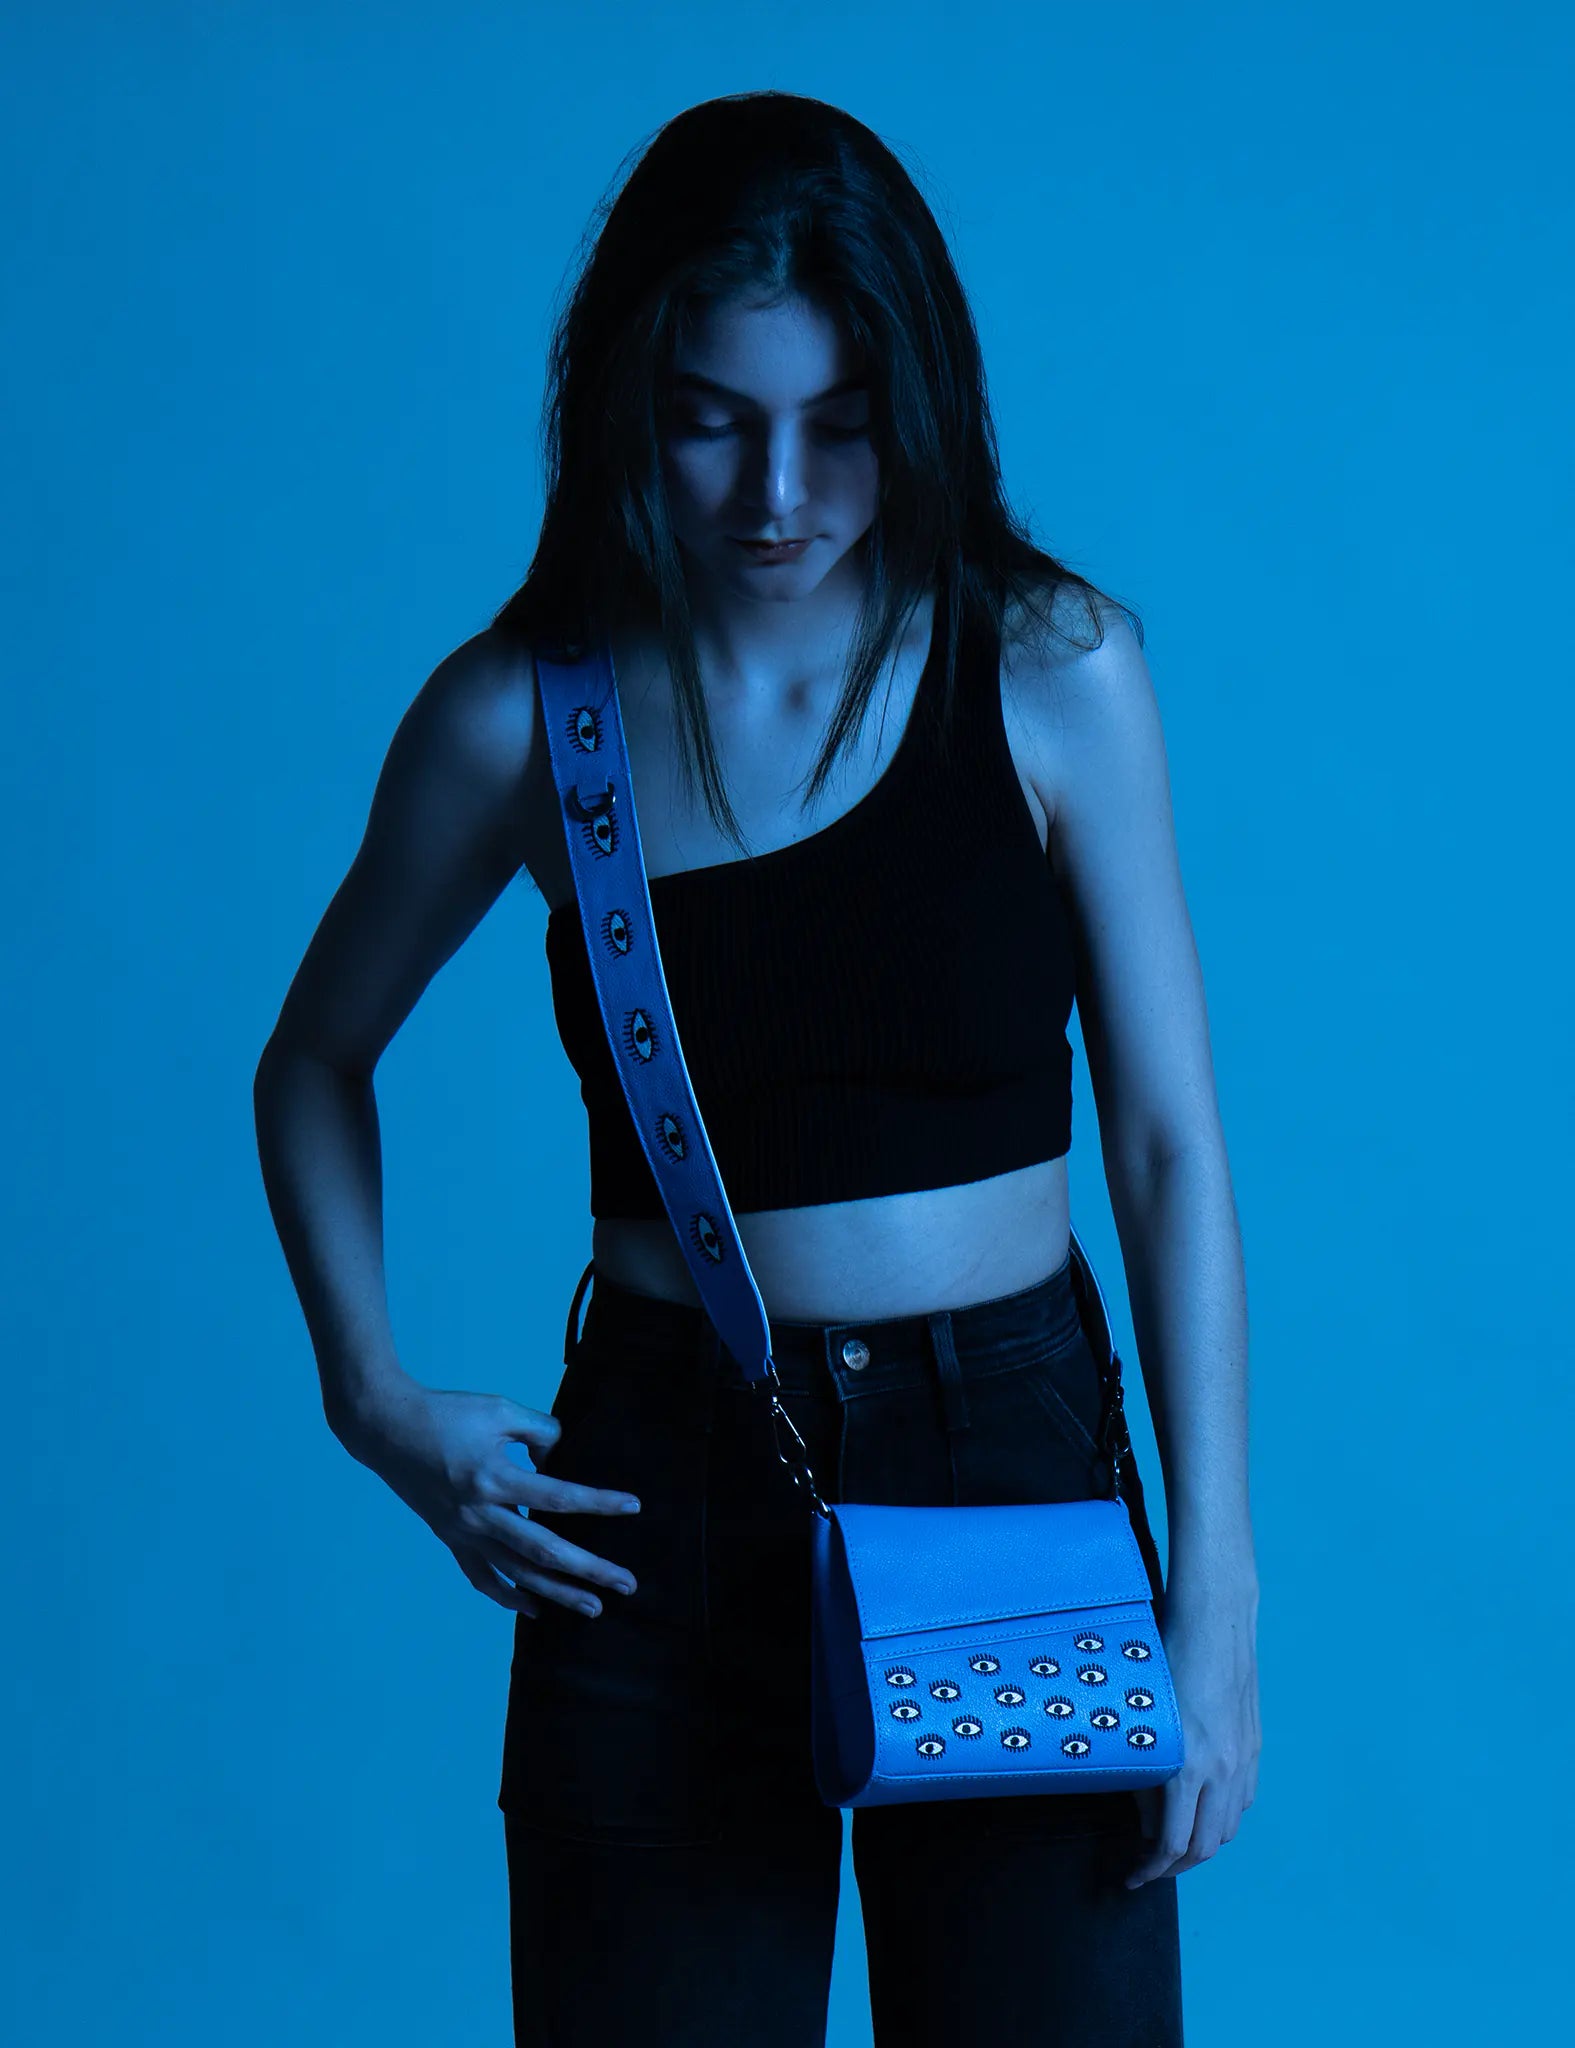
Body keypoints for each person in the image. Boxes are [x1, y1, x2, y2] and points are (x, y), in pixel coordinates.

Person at [253, 89, 1260, 2048]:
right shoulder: (519, 717)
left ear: (919, 398)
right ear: (633, 392)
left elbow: (1161, 1143)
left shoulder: (1052, 667)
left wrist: (1214, 1592)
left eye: (839, 417)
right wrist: (370, 1398)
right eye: (714, 415)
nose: (776, 489)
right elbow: (311, 1061)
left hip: (1005, 1477)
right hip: (659, 1493)